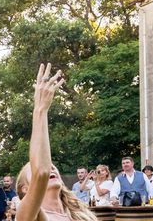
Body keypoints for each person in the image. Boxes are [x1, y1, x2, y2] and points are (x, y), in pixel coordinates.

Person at [15, 63, 96, 221]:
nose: (50, 167)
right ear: (25, 189)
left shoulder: (80, 213)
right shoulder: (29, 215)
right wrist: (40, 109)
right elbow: (42, 172)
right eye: (32, 169)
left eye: (53, 165)